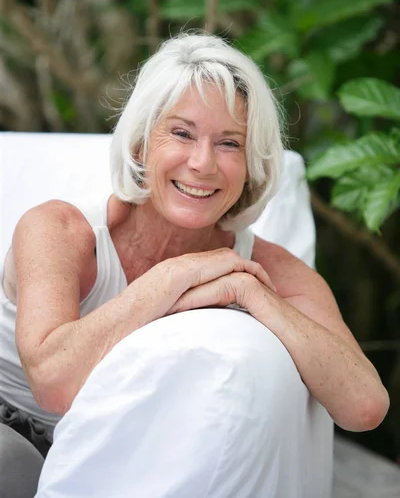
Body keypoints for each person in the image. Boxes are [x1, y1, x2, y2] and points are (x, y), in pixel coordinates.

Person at [0, 33, 389, 497]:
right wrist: (175, 276)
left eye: (229, 143)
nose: (203, 163)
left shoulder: (270, 269)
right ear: (142, 144)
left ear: (252, 164)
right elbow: (53, 384)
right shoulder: (59, 230)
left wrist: (251, 292)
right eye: (181, 133)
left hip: (129, 461)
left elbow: (365, 406)